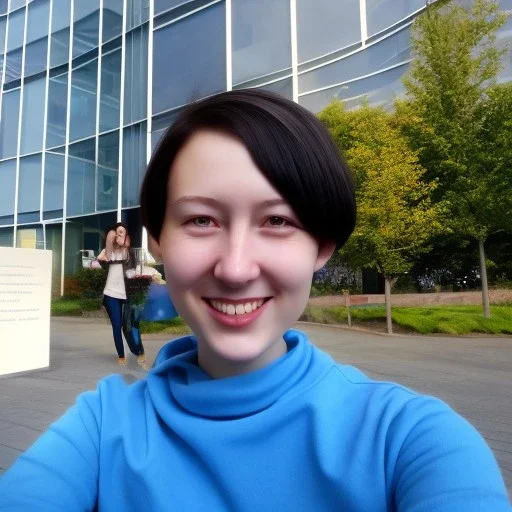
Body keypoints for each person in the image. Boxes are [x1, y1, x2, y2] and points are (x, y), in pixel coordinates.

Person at [0, 90, 510, 511]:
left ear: (322, 246)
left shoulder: (409, 443)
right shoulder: (100, 428)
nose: (237, 268)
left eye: (278, 221)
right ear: (159, 240)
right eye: (201, 220)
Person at [97, 222, 147, 369]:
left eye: (122, 233)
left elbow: (135, 270)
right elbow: (102, 259)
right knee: (117, 325)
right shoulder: (108, 252)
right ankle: (121, 355)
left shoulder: (129, 253)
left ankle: (137, 350)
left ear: (127, 237)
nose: (119, 235)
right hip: (111, 294)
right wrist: (112, 237)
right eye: (117, 232)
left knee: (129, 326)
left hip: (127, 295)